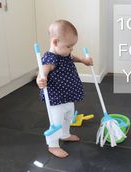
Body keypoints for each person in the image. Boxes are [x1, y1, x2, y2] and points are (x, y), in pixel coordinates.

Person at [36, 19, 93, 158]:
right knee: (56, 122)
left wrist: (84, 61)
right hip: (56, 99)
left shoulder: (65, 53)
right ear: (55, 42)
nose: (71, 49)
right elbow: (42, 72)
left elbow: (73, 57)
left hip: (68, 95)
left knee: (68, 116)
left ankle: (65, 134)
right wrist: (40, 80)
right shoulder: (50, 58)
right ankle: (53, 145)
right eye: (69, 46)